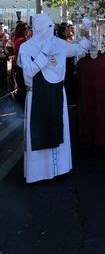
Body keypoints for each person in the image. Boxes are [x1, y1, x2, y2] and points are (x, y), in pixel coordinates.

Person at [18, 13, 91, 183]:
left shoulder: (58, 43)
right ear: (38, 29)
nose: (49, 31)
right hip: (36, 95)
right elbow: (28, 72)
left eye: (51, 27)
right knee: (39, 131)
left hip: (56, 94)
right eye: (46, 27)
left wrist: (88, 34)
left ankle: (59, 169)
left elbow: (78, 49)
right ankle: (39, 173)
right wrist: (44, 53)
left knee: (59, 127)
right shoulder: (27, 48)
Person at [13, 22, 29, 109]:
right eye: (26, 29)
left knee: (22, 87)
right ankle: (20, 108)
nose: (28, 30)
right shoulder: (20, 40)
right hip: (20, 67)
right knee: (22, 88)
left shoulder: (22, 39)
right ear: (22, 30)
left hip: (22, 66)